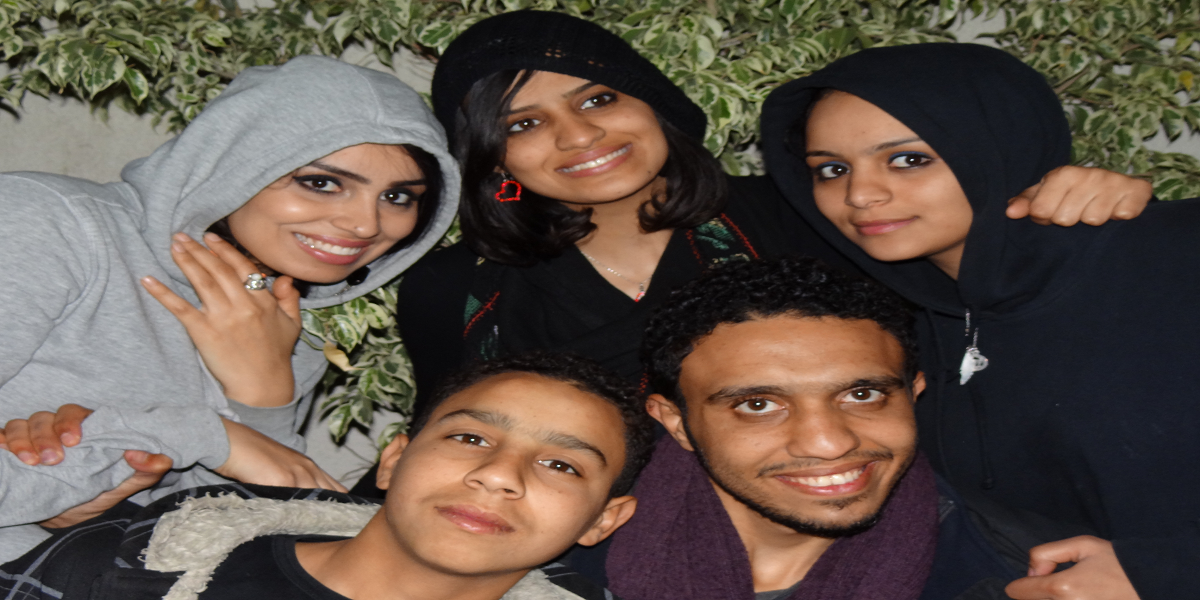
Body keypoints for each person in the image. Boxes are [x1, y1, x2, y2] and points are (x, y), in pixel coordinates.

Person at [393, 10, 1152, 413]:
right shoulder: (455, 290)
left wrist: (1080, 206)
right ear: (492, 159)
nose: (579, 135)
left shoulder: (812, 208)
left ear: (655, 105)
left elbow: (992, 303)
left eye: (598, 98)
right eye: (523, 124)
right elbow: (451, 448)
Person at [759, 43, 1199, 600]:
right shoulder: (894, 324)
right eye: (831, 169)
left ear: (999, 147)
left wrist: (1162, 572)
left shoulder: (1175, 256)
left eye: (909, 159)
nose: (861, 194)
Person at [0, 55, 459, 560]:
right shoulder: (48, 223)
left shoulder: (288, 327)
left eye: (397, 196)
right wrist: (209, 436)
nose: (365, 224)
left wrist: (264, 397)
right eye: (322, 182)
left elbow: (227, 544)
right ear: (234, 162)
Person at [0, 353, 654, 600]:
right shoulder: (118, 569)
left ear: (604, 519)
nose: (498, 475)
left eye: (561, 464)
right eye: (469, 436)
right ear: (394, 458)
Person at [589, 255, 1055, 600]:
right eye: (758, 404)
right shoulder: (565, 551)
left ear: (913, 395)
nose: (829, 443)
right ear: (677, 423)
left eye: (862, 395)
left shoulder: (1026, 577)